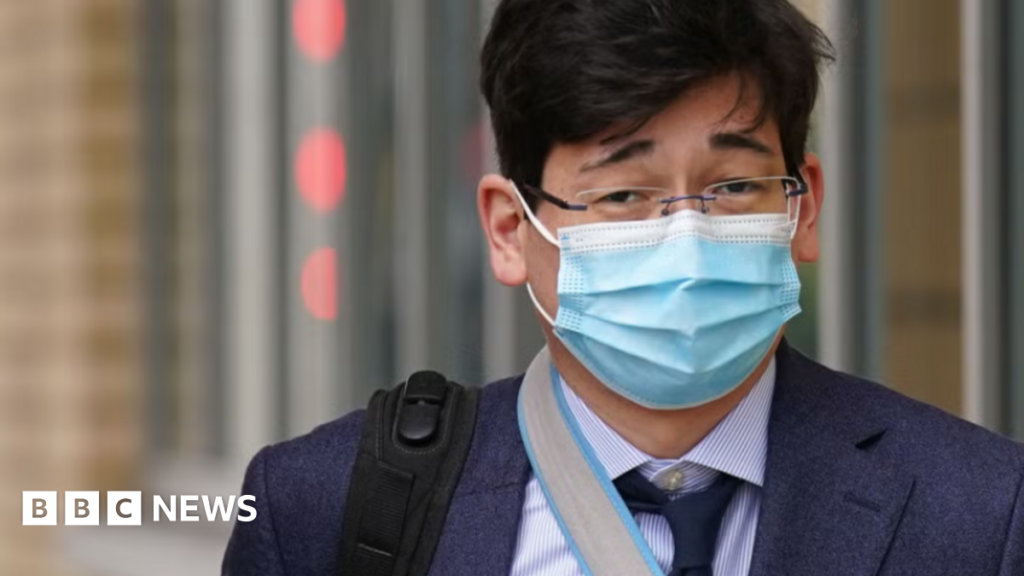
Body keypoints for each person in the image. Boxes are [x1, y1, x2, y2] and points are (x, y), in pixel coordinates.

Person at [222, 0, 1024, 574]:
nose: (687, 232)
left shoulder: (981, 513)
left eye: (735, 187)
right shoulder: (323, 511)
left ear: (802, 207)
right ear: (510, 228)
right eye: (623, 195)